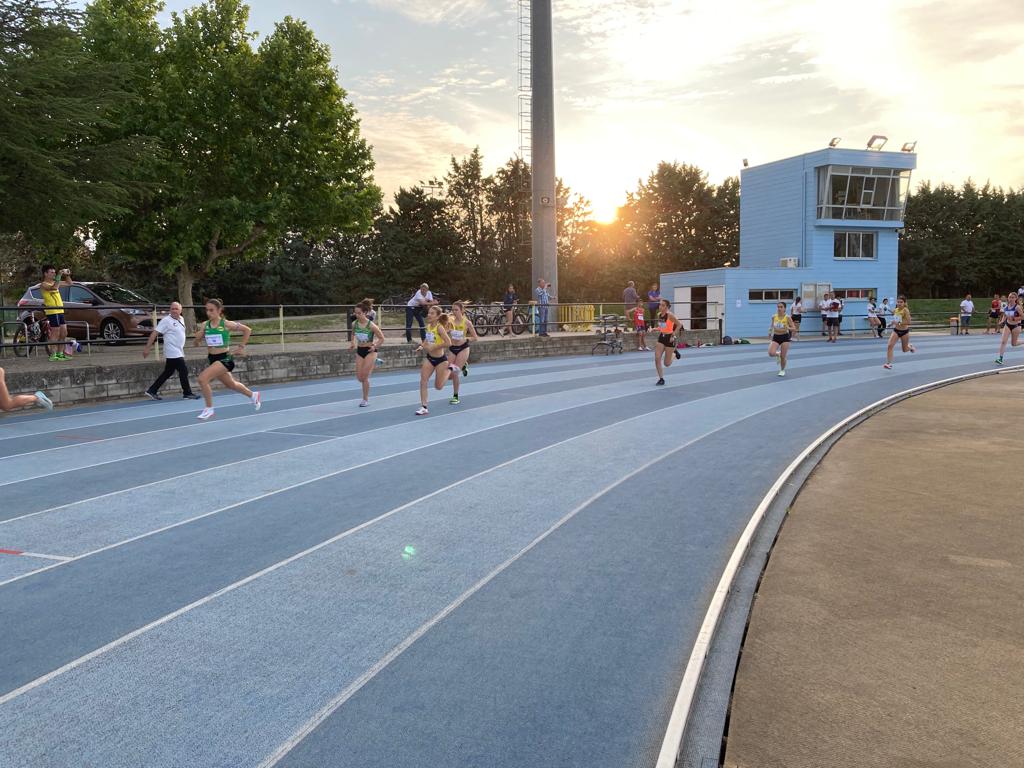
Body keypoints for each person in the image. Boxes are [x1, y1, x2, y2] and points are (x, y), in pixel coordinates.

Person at [193, 298, 261, 420]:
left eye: (212, 310)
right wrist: (197, 338)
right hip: (212, 358)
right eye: (207, 310)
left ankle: (209, 409)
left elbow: (247, 330)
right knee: (231, 384)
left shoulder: (226, 324)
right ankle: (253, 395)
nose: (209, 313)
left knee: (202, 379)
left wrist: (241, 347)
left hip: (225, 359)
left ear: (219, 310)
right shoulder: (204, 325)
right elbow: (196, 344)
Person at [142, 302, 200, 401]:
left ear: (180, 310)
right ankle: (187, 393)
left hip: (179, 350)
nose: (174, 310)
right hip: (172, 351)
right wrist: (147, 348)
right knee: (183, 370)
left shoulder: (181, 319)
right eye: (172, 309)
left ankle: (152, 390)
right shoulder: (166, 321)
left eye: (176, 309)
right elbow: (154, 333)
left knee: (168, 372)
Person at [414, 305, 454, 415]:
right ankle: (424, 407)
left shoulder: (440, 328)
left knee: (438, 387)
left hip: (441, 360)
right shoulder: (429, 326)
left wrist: (434, 347)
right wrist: (422, 346)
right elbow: (427, 339)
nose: (429, 315)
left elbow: (448, 342)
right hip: (430, 358)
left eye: (432, 313)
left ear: (437, 317)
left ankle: (450, 369)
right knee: (423, 380)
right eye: (429, 313)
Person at [351, 299, 385, 407]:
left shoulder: (372, 326)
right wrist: (352, 343)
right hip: (360, 351)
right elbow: (352, 334)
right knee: (359, 378)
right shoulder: (354, 324)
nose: (357, 315)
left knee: (365, 377)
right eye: (355, 313)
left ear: (365, 313)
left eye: (359, 313)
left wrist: (374, 346)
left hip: (370, 351)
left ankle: (365, 399)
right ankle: (375, 362)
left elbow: (381, 339)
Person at [446, 301, 479, 405]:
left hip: (463, 349)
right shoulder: (450, 322)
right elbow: (444, 333)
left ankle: (455, 396)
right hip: (453, 349)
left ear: (462, 310)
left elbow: (475, 338)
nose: (454, 312)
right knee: (449, 376)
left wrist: (466, 339)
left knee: (455, 373)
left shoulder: (467, 322)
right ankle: (464, 365)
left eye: (456, 310)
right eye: (453, 310)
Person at [40, 265, 73, 361]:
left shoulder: (56, 282)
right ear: (45, 274)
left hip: (60, 310)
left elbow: (70, 283)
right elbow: (54, 288)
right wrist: (59, 275)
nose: (54, 274)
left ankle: (60, 353)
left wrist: (66, 275)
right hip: (52, 311)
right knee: (55, 332)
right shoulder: (43, 284)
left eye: (55, 272)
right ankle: (53, 354)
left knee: (64, 332)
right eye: (51, 272)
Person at [653, 298, 682, 386]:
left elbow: (679, 325)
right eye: (660, 305)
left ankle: (674, 353)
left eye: (663, 305)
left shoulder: (670, 315)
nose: (660, 306)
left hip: (670, 338)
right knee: (657, 358)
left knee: (667, 364)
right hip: (662, 337)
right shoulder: (659, 315)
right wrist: (655, 329)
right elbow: (662, 327)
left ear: (667, 307)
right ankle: (661, 379)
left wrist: (673, 335)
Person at [884, 295, 915, 369]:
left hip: (904, 332)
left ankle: (910, 347)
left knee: (904, 350)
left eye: (901, 302)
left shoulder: (905, 310)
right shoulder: (896, 309)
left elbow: (908, 321)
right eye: (898, 302)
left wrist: (899, 323)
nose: (899, 303)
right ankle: (888, 363)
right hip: (896, 331)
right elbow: (895, 319)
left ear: (904, 303)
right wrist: (891, 324)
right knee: (890, 346)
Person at [768, 302, 796, 377]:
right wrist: (770, 332)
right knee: (771, 353)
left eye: (781, 307)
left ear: (784, 308)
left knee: (783, 357)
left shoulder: (787, 317)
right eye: (778, 307)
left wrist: (788, 328)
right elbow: (771, 326)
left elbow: (794, 328)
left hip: (784, 337)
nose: (779, 308)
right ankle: (778, 354)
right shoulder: (774, 316)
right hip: (776, 336)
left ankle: (782, 370)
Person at [995, 291, 1022, 365]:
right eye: (1009, 297)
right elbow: (1004, 315)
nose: (1010, 299)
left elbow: (1022, 317)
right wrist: (1002, 321)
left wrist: (1014, 319)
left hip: (1016, 326)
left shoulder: (1017, 307)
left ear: (1016, 298)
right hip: (1007, 325)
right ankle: (1000, 358)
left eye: (1012, 297)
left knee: (1014, 344)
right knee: (1003, 342)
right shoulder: (1006, 306)